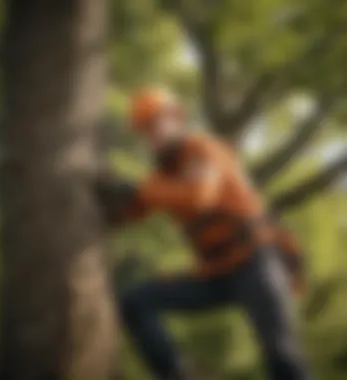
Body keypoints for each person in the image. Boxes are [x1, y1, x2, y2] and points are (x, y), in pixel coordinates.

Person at [97, 87, 310, 380]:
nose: (152, 134)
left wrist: (142, 190)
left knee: (280, 351)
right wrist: (104, 196)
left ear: (176, 119)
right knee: (136, 301)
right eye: (145, 130)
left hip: (256, 261)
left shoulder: (204, 147)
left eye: (156, 123)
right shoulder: (160, 177)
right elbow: (125, 215)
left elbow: (200, 195)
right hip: (217, 274)